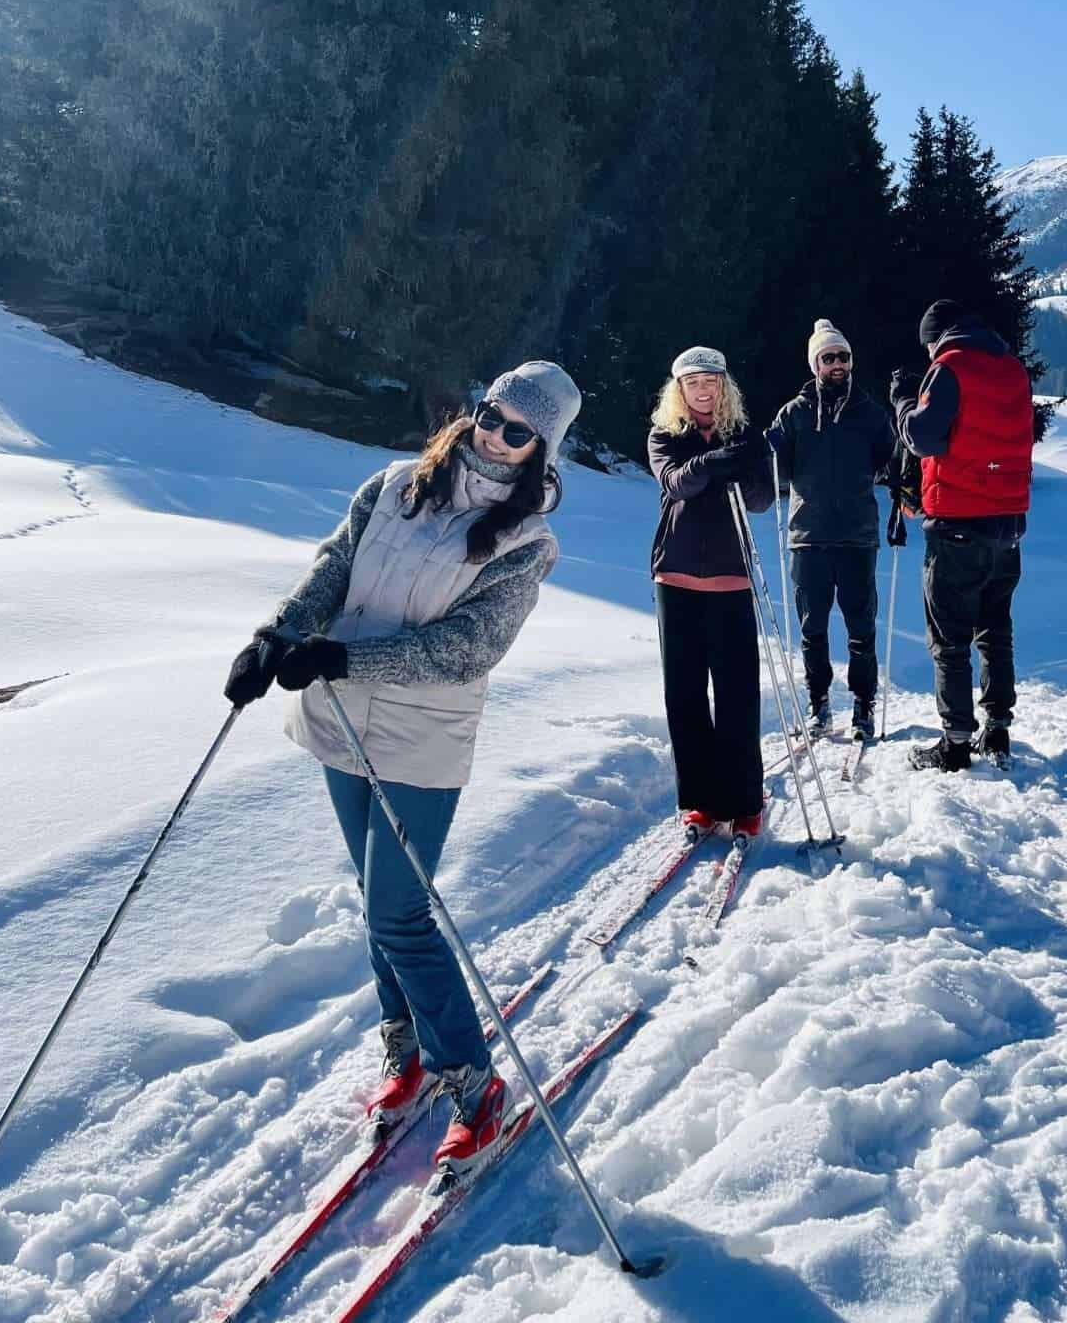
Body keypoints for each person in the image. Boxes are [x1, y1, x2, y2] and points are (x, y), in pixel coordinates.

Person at [222, 360, 581, 1176]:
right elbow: (333, 569)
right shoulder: (394, 486)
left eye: (519, 432)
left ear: (542, 449)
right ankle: (408, 1049)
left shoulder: (526, 542)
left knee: (400, 916)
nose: (496, 435)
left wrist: (345, 657)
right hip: (341, 720)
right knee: (375, 900)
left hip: (421, 742)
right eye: (491, 414)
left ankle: (476, 1088)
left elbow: (466, 649)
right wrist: (276, 636)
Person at [890, 299, 1034, 772]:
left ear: (936, 337)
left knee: (950, 637)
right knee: (996, 628)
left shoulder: (949, 366)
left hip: (958, 519)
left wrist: (903, 401)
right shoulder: (1012, 368)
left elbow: (923, 437)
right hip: (1008, 521)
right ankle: (998, 729)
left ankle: (954, 743)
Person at [648, 345, 774, 837]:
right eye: (693, 383)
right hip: (676, 577)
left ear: (724, 387)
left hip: (730, 576)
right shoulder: (665, 435)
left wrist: (749, 463)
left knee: (737, 691)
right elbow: (676, 483)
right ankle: (701, 800)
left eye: (711, 382)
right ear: (679, 389)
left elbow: (761, 500)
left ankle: (744, 801)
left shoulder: (744, 435)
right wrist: (718, 461)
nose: (702, 390)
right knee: (684, 694)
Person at [768, 318, 895, 740]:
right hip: (808, 535)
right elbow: (777, 473)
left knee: (862, 627)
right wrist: (769, 452)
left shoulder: (870, 414)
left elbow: (890, 462)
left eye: (843, 357)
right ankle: (818, 703)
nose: (837, 364)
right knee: (812, 629)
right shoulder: (794, 414)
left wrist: (903, 483)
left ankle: (863, 705)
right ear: (815, 365)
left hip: (858, 535)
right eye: (828, 358)